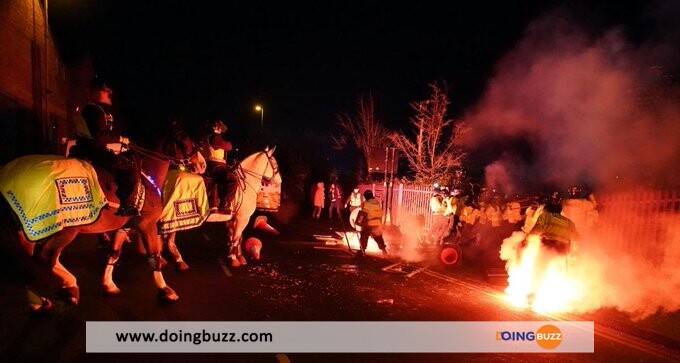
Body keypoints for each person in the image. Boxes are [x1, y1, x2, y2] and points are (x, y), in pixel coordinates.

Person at [71, 78, 139, 216]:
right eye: (106, 91)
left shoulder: (100, 110)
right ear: (96, 93)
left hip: (94, 148)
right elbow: (100, 136)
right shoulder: (93, 110)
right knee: (129, 166)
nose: (110, 94)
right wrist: (120, 138)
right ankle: (126, 204)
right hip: (92, 150)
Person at [205, 120, 237, 214]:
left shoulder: (214, 137)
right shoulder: (215, 138)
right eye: (218, 127)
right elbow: (229, 146)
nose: (220, 129)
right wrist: (218, 134)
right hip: (216, 167)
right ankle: (225, 204)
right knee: (233, 180)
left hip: (218, 166)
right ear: (215, 128)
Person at [357, 190, 387, 256]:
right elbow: (380, 213)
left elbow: (363, 214)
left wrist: (359, 223)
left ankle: (362, 251)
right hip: (377, 223)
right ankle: (384, 251)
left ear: (366, 196)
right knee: (378, 237)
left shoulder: (365, 203)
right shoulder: (377, 202)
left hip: (369, 223)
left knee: (364, 236)